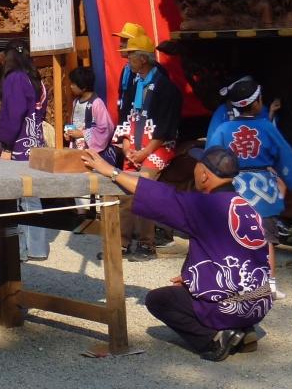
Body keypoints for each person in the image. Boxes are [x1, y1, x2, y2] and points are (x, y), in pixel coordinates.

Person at [83, 145, 274, 360]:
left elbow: (157, 194)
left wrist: (112, 171)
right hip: (260, 303)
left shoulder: (204, 206)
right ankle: (244, 330)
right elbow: (254, 253)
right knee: (202, 289)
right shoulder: (248, 207)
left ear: (204, 175)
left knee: (159, 300)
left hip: (227, 308)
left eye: (197, 166)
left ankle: (215, 339)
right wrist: (194, 277)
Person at [207, 77, 292, 294]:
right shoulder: (267, 128)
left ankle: (231, 282)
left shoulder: (223, 129)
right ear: (257, 102)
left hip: (232, 189)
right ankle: (269, 285)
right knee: (267, 237)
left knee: (229, 234)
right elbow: (286, 158)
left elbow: (210, 158)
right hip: (263, 192)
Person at [114, 28, 181, 262]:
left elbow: (166, 126)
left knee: (143, 188)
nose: (127, 56)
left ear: (142, 58)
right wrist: (126, 144)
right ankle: (121, 242)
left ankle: (146, 244)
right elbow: (125, 115)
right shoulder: (135, 82)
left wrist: (145, 151)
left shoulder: (166, 87)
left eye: (131, 53)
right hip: (134, 144)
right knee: (123, 189)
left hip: (156, 147)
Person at [0, 41, 49, 261]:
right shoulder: (36, 80)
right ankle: (37, 248)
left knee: (16, 198)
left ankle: (18, 250)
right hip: (35, 141)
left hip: (19, 144)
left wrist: (6, 144)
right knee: (32, 196)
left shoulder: (15, 78)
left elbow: (13, 113)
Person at [67, 65, 118, 166]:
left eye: (73, 84)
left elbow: (106, 129)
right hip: (76, 148)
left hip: (92, 151)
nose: (71, 86)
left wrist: (82, 134)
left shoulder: (97, 103)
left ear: (83, 87)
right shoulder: (75, 102)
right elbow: (74, 122)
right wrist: (69, 133)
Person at [206, 75, 276, 145]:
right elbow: (212, 143)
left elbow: (267, 132)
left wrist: (271, 113)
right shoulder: (222, 111)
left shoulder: (261, 107)